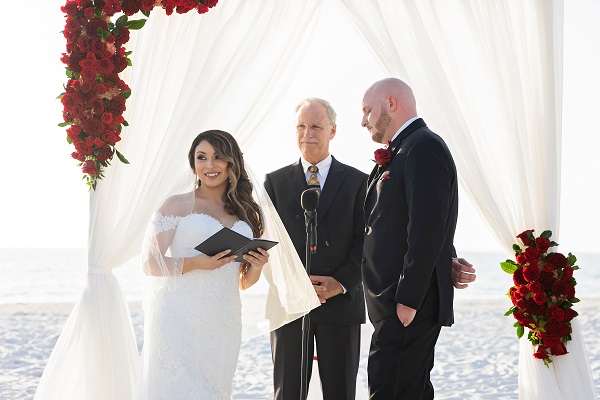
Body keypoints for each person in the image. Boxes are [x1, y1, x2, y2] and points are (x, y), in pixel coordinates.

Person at [138, 129, 319, 399]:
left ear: (231, 162)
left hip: (223, 322)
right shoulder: (176, 205)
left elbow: (243, 281)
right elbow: (150, 263)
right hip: (178, 320)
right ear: (193, 163)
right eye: (202, 158)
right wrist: (196, 263)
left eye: (218, 157)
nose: (209, 165)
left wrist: (256, 266)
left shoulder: (245, 212)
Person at [361, 77, 460, 399]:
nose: (363, 121)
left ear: (391, 103)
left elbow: (428, 227)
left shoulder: (423, 147)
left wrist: (409, 299)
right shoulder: (405, 149)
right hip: (392, 301)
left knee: (390, 390)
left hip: (405, 302)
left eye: (367, 111)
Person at [264, 98, 367, 400]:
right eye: (301, 126)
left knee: (341, 393)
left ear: (333, 131)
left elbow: (367, 242)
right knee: (288, 394)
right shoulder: (275, 182)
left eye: (316, 126)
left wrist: (341, 283)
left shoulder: (359, 182)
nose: (307, 133)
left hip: (341, 306)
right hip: (290, 309)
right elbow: (268, 245)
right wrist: (292, 287)